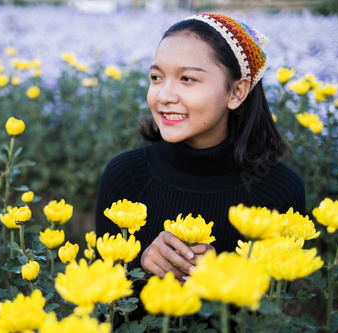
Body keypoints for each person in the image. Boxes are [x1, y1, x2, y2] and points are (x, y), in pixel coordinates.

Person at [95, 13, 305, 284]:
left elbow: (279, 315)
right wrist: (140, 263)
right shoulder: (125, 176)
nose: (163, 96)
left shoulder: (279, 189)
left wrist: (222, 277)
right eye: (156, 77)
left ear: (236, 92)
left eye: (187, 79)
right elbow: (101, 307)